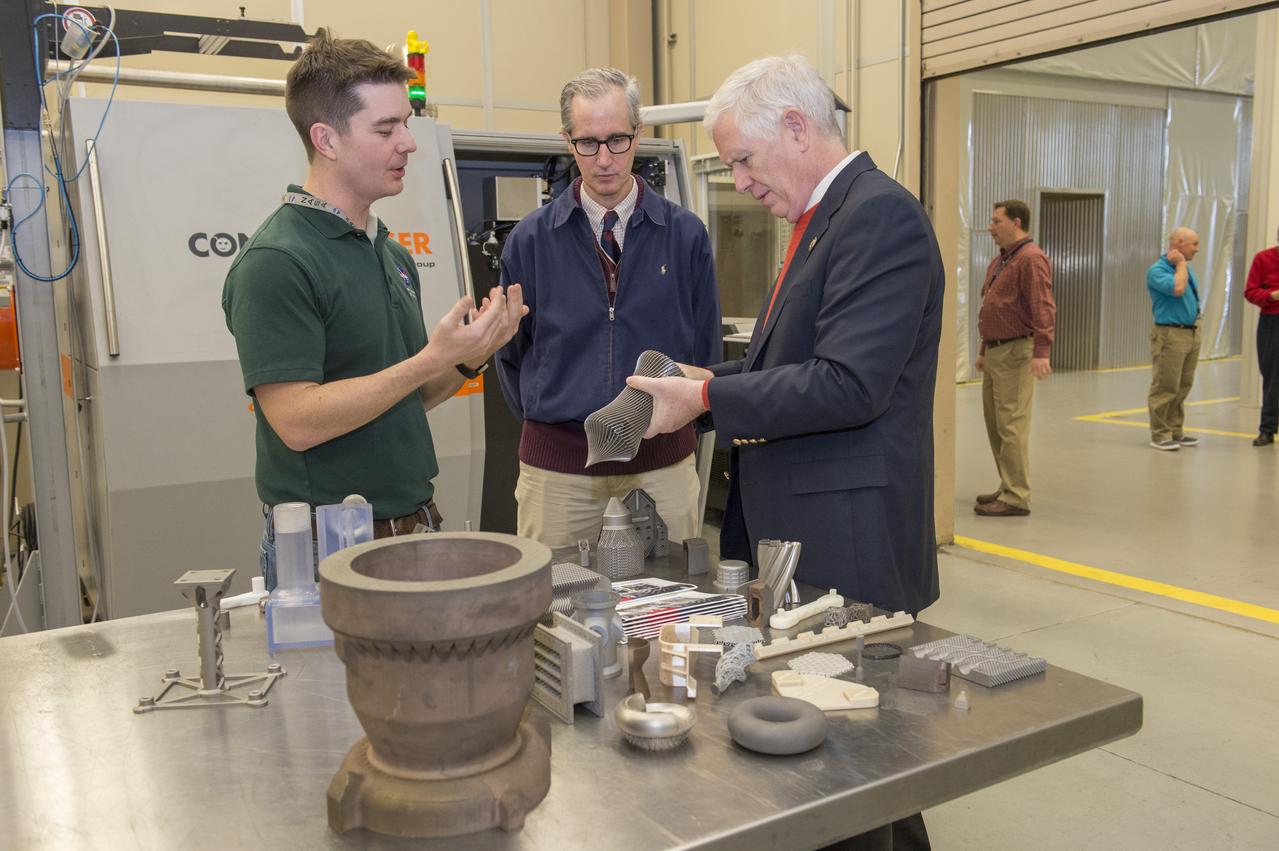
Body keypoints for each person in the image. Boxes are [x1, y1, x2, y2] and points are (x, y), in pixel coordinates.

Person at [631, 50, 941, 851]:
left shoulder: (877, 216)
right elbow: (791, 366)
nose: (737, 181)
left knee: (856, 762)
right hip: (806, 532)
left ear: (797, 128)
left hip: (849, 542)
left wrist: (704, 399)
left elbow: (846, 384)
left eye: (741, 158)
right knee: (851, 763)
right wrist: (708, 386)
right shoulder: (820, 220)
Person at [222, 31, 526, 587]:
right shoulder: (278, 261)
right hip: (328, 544)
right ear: (327, 139)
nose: (408, 143)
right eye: (386, 129)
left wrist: (466, 357)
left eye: (406, 125)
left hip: (412, 524)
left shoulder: (389, 253)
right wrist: (428, 358)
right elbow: (296, 422)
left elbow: (405, 398)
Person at [496, 68, 721, 548]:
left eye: (617, 140)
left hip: (664, 466)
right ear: (567, 140)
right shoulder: (530, 241)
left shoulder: (685, 236)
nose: (603, 160)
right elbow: (511, 356)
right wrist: (560, 421)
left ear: (639, 133)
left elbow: (706, 350)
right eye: (587, 143)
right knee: (553, 609)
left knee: (673, 613)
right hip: (558, 472)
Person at [974, 200, 1056, 517]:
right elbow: (992, 308)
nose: (990, 228)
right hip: (995, 350)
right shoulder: (1001, 261)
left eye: (996, 221)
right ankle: (1008, 483)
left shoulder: (1031, 259)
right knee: (995, 423)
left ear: (1016, 222)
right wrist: (983, 351)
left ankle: (1017, 495)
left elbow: (1043, 306)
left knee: (1011, 425)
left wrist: (1041, 351)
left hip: (1015, 351)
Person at [1146, 228, 1202, 451]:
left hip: (1191, 332)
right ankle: (1160, 434)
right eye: (1194, 244)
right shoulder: (1157, 270)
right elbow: (1178, 288)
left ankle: (1175, 430)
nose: (1197, 249)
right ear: (1178, 243)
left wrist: (1182, 265)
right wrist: (1180, 265)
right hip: (1171, 334)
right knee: (1166, 385)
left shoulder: (1185, 268)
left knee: (1182, 385)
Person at [1244, 228, 1279, 446]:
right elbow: (1250, 292)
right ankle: (1267, 429)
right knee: (1272, 375)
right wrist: (1272, 295)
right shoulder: (1263, 258)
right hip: (1272, 322)